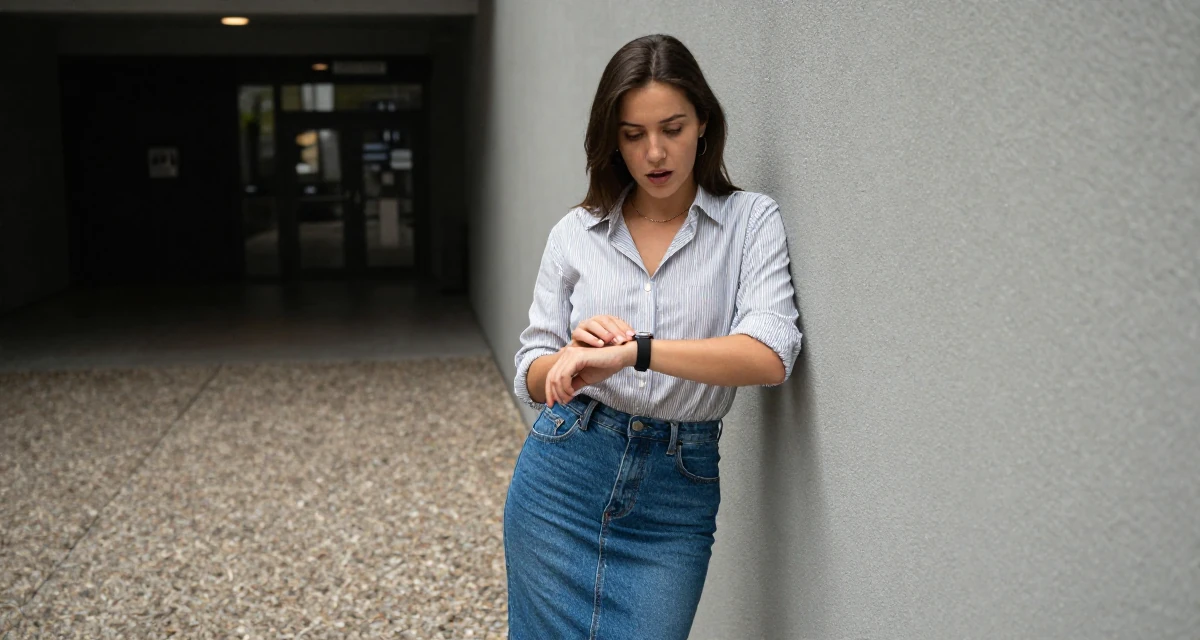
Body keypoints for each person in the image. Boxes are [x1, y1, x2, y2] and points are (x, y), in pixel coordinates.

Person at [503, 33, 803, 640]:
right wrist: (571, 358)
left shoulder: (750, 221)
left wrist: (635, 351)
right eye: (633, 134)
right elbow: (530, 369)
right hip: (563, 474)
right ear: (613, 141)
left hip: (676, 492)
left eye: (672, 128)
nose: (655, 152)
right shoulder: (577, 232)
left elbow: (770, 355)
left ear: (703, 124)